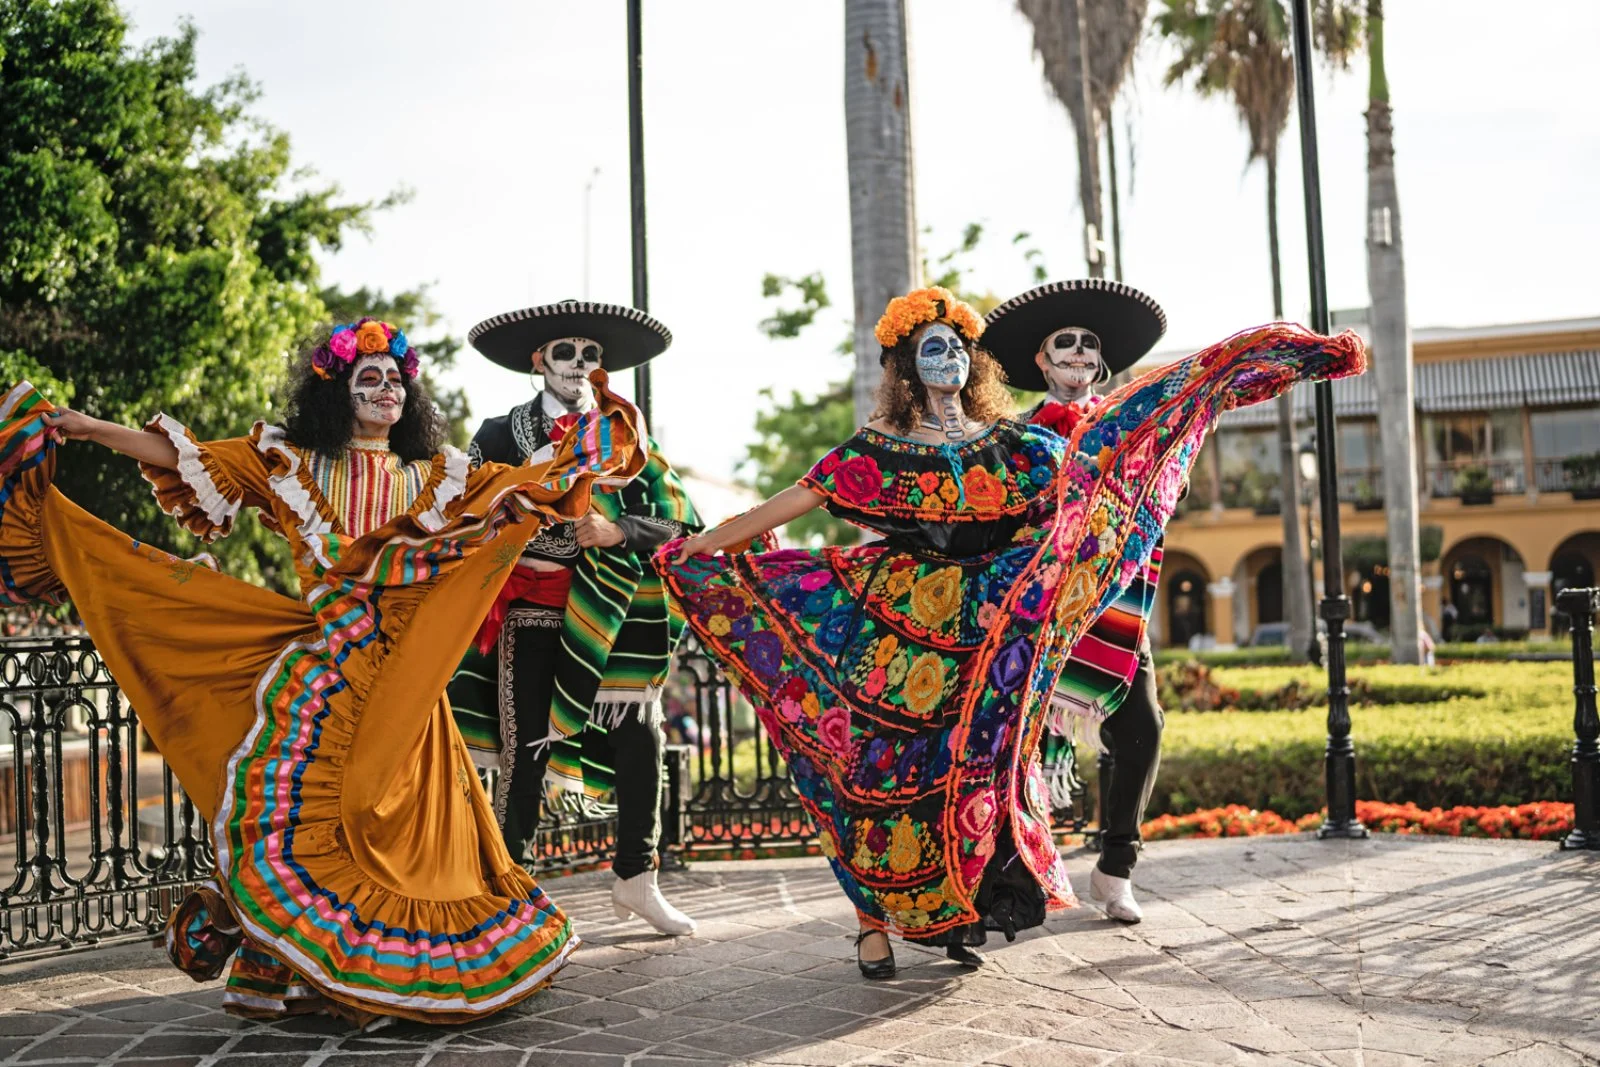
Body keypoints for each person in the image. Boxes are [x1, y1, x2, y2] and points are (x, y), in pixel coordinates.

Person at [654, 287, 1366, 980]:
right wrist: (706, 542)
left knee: (970, 776)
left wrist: (1212, 382)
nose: (950, 360)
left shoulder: (1017, 445)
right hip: (896, 634)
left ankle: (958, 911)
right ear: (906, 366)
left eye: (960, 349)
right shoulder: (878, 449)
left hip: (987, 636)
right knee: (877, 774)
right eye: (934, 348)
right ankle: (872, 922)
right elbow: (798, 495)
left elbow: (1098, 478)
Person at [0, 318, 645, 1027]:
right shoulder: (290, 463)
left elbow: (532, 487)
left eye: (396, 379)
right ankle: (325, 977)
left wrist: (586, 442)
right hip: (325, 676)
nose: (385, 388)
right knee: (308, 820)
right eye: (368, 377)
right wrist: (91, 427)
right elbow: (185, 457)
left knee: (393, 830)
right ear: (337, 391)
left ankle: (385, 978)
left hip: (406, 680)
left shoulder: (441, 477)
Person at [447, 300, 702, 935]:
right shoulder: (497, 433)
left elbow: (681, 521)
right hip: (527, 614)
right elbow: (465, 517)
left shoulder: (627, 434)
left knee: (641, 738)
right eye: (566, 353)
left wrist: (616, 528)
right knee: (524, 749)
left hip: (610, 616)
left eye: (591, 355)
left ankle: (637, 880)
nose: (580, 366)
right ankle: (514, 897)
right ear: (538, 362)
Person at [981, 279, 1170, 924]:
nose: (1081, 353)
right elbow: (1000, 522)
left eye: (1091, 345)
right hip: (1037, 615)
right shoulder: (1013, 438)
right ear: (1042, 359)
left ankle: (1116, 867)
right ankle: (1020, 876)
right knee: (1013, 747)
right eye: (1067, 343)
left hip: (1113, 608)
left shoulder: (1131, 426)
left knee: (1142, 727)